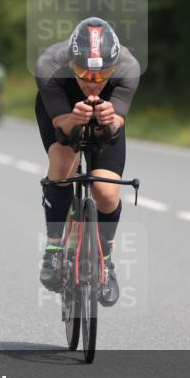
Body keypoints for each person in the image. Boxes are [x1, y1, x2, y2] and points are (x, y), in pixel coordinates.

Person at [35, 17, 140, 307]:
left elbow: (115, 126)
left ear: (114, 66)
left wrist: (110, 121)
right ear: (72, 63)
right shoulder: (50, 66)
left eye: (102, 75)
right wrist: (73, 119)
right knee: (63, 161)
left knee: (106, 191)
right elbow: (61, 129)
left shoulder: (128, 68)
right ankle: (54, 248)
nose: (92, 84)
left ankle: (105, 257)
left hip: (106, 118)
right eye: (83, 74)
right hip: (62, 114)